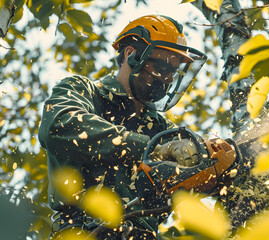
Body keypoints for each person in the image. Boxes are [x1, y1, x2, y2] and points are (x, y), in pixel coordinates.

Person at [39, 15, 211, 239]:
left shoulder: (163, 130)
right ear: (131, 55)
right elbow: (58, 125)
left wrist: (213, 160)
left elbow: (195, 174)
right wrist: (151, 149)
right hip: (83, 231)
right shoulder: (84, 91)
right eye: (162, 65)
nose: (167, 78)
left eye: (173, 70)